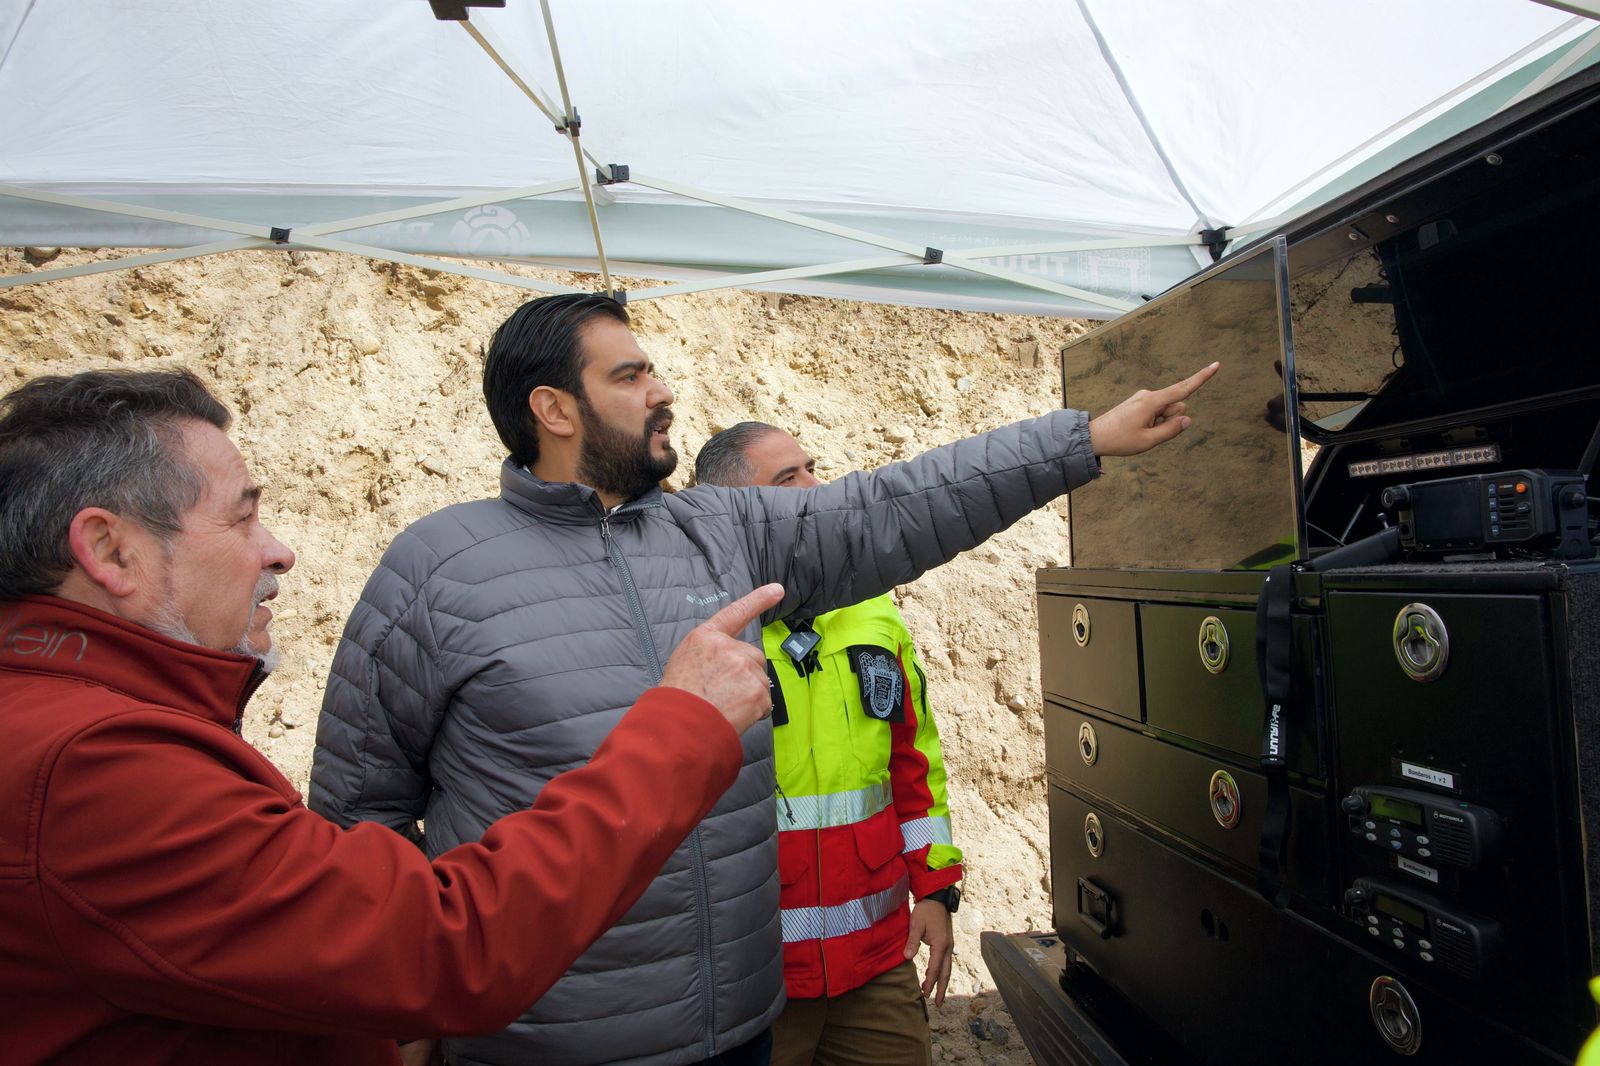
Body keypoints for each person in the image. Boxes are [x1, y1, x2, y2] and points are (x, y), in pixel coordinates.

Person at [310, 292, 1217, 1066]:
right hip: (543, 1044)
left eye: (652, 369)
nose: (662, 390)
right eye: (627, 376)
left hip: (737, 1031)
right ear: (553, 409)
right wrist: (395, 1015)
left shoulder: (722, 531)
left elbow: (890, 507)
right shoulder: (437, 568)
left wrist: (1083, 442)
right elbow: (358, 816)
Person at [0, 368, 781, 1066]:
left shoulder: (71, 721)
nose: (278, 553)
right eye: (241, 520)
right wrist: (684, 724)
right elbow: (445, 943)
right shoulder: (90, 767)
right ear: (110, 550)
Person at [695, 423, 960, 1066]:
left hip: (878, 965)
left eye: (814, 468)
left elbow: (912, 762)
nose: (820, 489)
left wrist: (936, 891)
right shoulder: (699, 626)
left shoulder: (873, 609)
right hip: (751, 984)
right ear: (738, 511)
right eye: (789, 479)